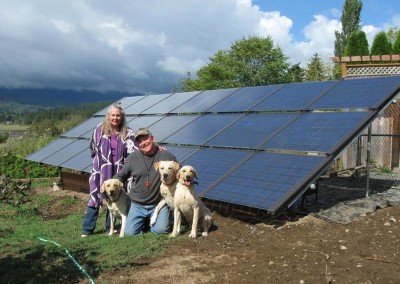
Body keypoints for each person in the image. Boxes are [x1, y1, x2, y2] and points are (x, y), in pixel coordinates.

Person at [81, 104, 137, 237]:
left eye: (118, 115)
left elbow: (136, 149)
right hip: (100, 169)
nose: (115, 118)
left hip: (119, 169)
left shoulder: (128, 133)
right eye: (113, 115)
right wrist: (100, 163)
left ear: (122, 117)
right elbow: (92, 147)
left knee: (113, 196)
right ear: (109, 116)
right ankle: (87, 229)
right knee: (95, 196)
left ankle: (109, 228)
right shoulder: (99, 130)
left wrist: (157, 147)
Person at [114, 127, 177, 236]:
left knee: (161, 231)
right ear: (137, 144)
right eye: (139, 141)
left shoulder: (166, 155)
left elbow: (178, 173)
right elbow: (120, 176)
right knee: (130, 233)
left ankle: (150, 222)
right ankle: (146, 221)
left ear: (152, 138)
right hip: (137, 204)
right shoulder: (132, 158)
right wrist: (110, 184)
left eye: (146, 139)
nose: (143, 143)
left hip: (158, 202)